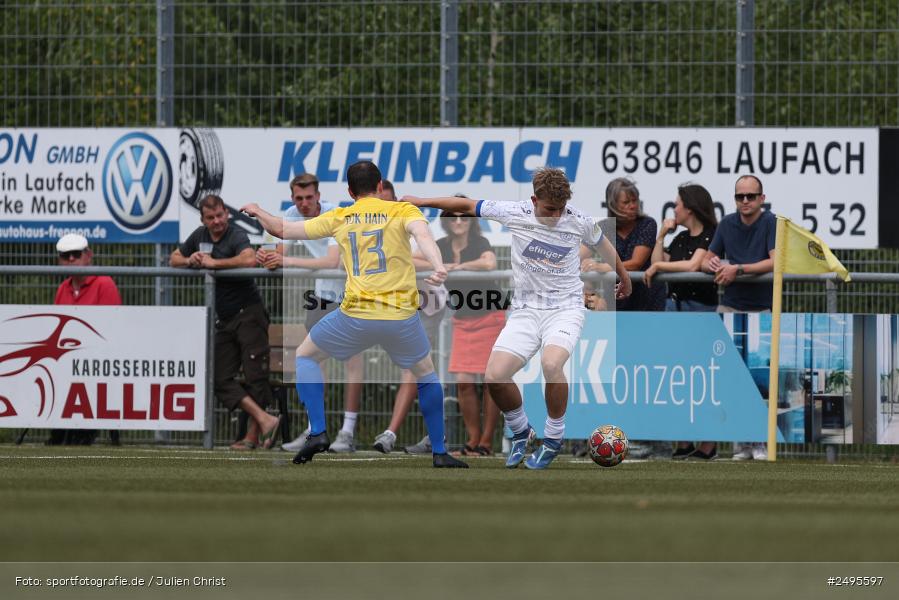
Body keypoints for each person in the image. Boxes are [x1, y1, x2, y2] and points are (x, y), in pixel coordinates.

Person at [241, 161, 468, 468]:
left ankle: (318, 431)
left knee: (306, 357)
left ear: (350, 191)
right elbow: (424, 236)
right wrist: (438, 265)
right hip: (400, 317)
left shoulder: (340, 216)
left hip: (355, 316)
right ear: (379, 187)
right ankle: (440, 451)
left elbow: (280, 228)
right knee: (426, 374)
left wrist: (257, 209)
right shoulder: (402, 211)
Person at [404, 167, 631, 470]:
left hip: (565, 308)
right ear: (534, 200)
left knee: (551, 364)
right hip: (525, 311)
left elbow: (604, 243)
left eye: (561, 208)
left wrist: (624, 277)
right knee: (495, 376)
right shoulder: (514, 211)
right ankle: (522, 430)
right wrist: (421, 200)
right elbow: (466, 206)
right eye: (551, 209)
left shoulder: (577, 220)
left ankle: (553, 438)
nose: (557, 214)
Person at [258, 173, 364, 454]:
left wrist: (284, 259)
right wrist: (267, 256)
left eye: (309, 197)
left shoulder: (333, 214)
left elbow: (332, 261)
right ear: (293, 198)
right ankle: (315, 429)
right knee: (312, 362)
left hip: (352, 295)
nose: (304, 203)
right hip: (321, 298)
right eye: (298, 198)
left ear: (318, 196)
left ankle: (347, 432)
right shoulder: (291, 214)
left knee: (354, 363)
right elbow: (277, 250)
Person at [170, 194, 281, 450]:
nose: (217, 221)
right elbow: (173, 258)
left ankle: (252, 437)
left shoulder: (236, 234)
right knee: (218, 378)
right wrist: (191, 260)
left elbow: (249, 259)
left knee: (256, 376)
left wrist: (213, 263)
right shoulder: (199, 235)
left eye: (220, 215)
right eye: (211, 217)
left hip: (249, 313)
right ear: (203, 220)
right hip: (226, 319)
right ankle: (265, 420)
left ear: (226, 214)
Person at [701, 174, 776, 461]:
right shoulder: (726, 224)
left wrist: (738, 269)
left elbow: (774, 260)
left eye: (750, 196)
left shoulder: (770, 222)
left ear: (761, 199)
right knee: (731, 379)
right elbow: (709, 257)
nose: (744, 201)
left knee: (758, 381)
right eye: (739, 196)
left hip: (761, 311)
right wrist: (716, 264)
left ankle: (759, 442)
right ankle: (742, 444)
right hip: (730, 309)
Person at [644, 183, 719, 460]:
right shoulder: (681, 238)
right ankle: (685, 440)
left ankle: (709, 443)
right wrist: (662, 234)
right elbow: (656, 258)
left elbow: (691, 265)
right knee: (679, 376)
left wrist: (660, 266)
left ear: (690, 207)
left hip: (699, 310)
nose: (674, 209)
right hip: (672, 309)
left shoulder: (712, 235)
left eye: (677, 204)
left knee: (704, 377)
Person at [439, 207, 506, 456]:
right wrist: (441, 264)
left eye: (463, 216)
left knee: (491, 381)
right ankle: (472, 439)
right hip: (463, 319)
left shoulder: (480, 241)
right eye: (453, 217)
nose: (459, 221)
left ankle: (486, 443)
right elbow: (414, 259)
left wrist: (457, 267)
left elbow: (490, 263)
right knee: (463, 382)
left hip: (490, 315)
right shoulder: (440, 245)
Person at [48, 233, 122, 445]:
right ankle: (60, 431)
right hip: (68, 357)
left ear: (88, 255)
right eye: (65, 255)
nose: (71, 259)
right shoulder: (63, 288)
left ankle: (83, 432)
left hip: (98, 356)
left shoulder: (104, 284)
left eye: (76, 254)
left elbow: (111, 329)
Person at [584, 178, 665, 312]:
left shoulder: (647, 224)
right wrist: (587, 266)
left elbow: (636, 263)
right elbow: (579, 257)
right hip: (614, 303)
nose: (633, 206)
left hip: (646, 301)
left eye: (635, 201)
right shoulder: (603, 227)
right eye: (626, 202)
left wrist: (604, 267)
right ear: (612, 205)